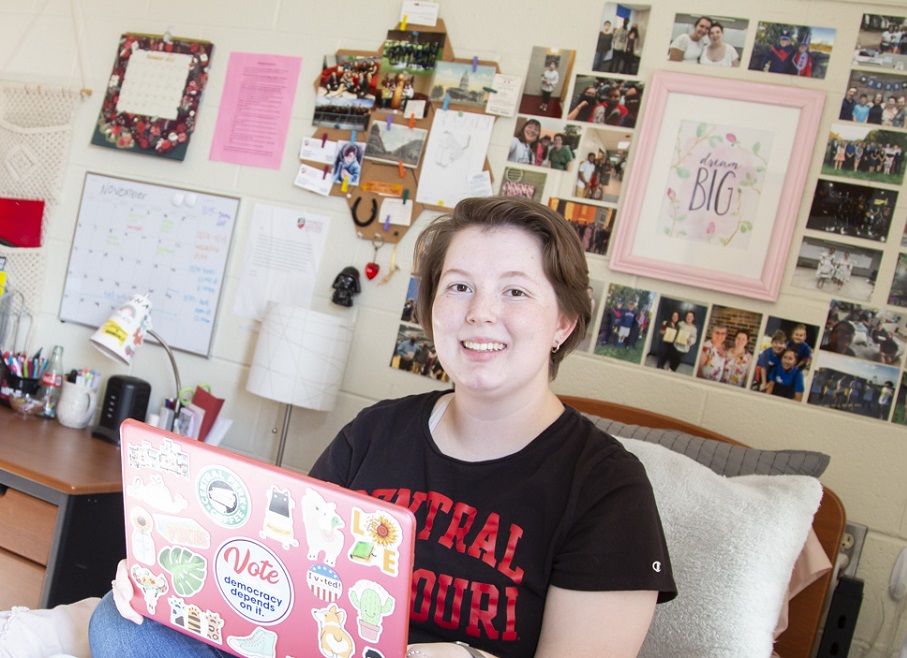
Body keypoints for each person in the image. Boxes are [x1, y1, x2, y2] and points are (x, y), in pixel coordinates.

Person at [89, 197, 676, 658]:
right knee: (122, 624)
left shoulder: (606, 488)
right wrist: (174, 584)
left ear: (564, 322)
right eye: (459, 286)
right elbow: (282, 582)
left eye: (515, 291)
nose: (480, 312)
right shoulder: (374, 433)